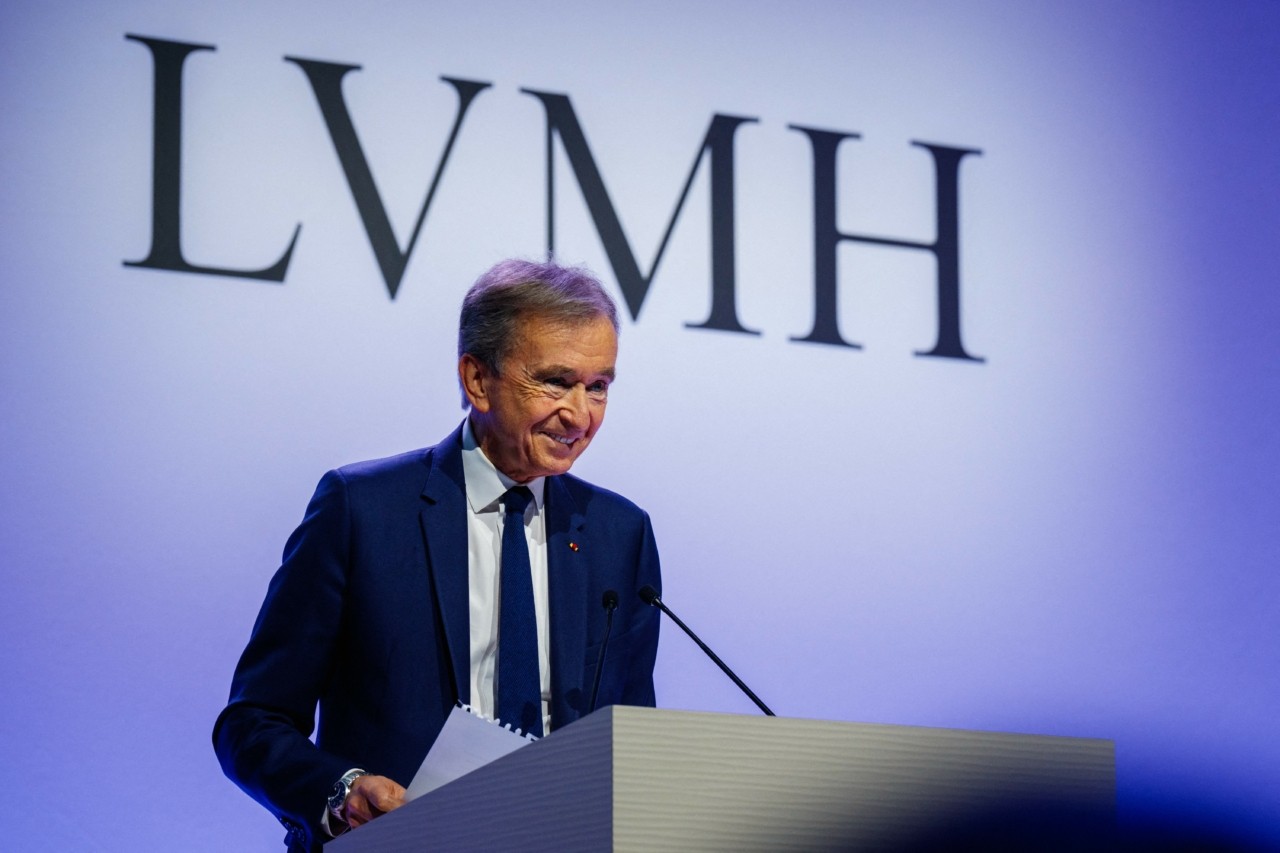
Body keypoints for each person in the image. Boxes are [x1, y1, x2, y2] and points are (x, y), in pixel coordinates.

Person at [213, 259, 661, 851]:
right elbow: (252, 722)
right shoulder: (362, 511)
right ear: (477, 381)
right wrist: (341, 793)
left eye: (598, 386)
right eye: (556, 382)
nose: (580, 415)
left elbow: (628, 742)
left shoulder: (619, 534)